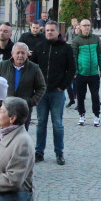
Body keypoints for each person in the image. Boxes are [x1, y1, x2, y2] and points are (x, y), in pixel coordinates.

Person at [31, 22, 75, 165]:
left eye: (52, 30)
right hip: (41, 92)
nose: (49, 32)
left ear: (58, 32)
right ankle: (39, 152)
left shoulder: (66, 48)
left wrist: (63, 86)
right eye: (47, 30)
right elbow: (32, 67)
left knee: (57, 123)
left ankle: (59, 152)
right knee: (41, 122)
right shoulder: (39, 47)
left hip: (57, 92)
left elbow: (72, 69)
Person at [0, 42, 45, 128]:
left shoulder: (34, 68)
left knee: (21, 135)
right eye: (17, 53)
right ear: (12, 54)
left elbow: (41, 87)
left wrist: (31, 101)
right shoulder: (3, 65)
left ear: (27, 54)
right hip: (5, 108)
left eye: (23, 53)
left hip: (23, 109)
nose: (20, 55)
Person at [69, 19, 101, 127]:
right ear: (80, 26)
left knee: (95, 96)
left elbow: (99, 54)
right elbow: (74, 57)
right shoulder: (76, 40)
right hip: (81, 73)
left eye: (88, 25)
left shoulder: (96, 38)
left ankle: (96, 116)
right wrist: (75, 71)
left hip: (93, 73)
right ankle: (81, 115)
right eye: (84, 25)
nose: (87, 27)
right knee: (80, 96)